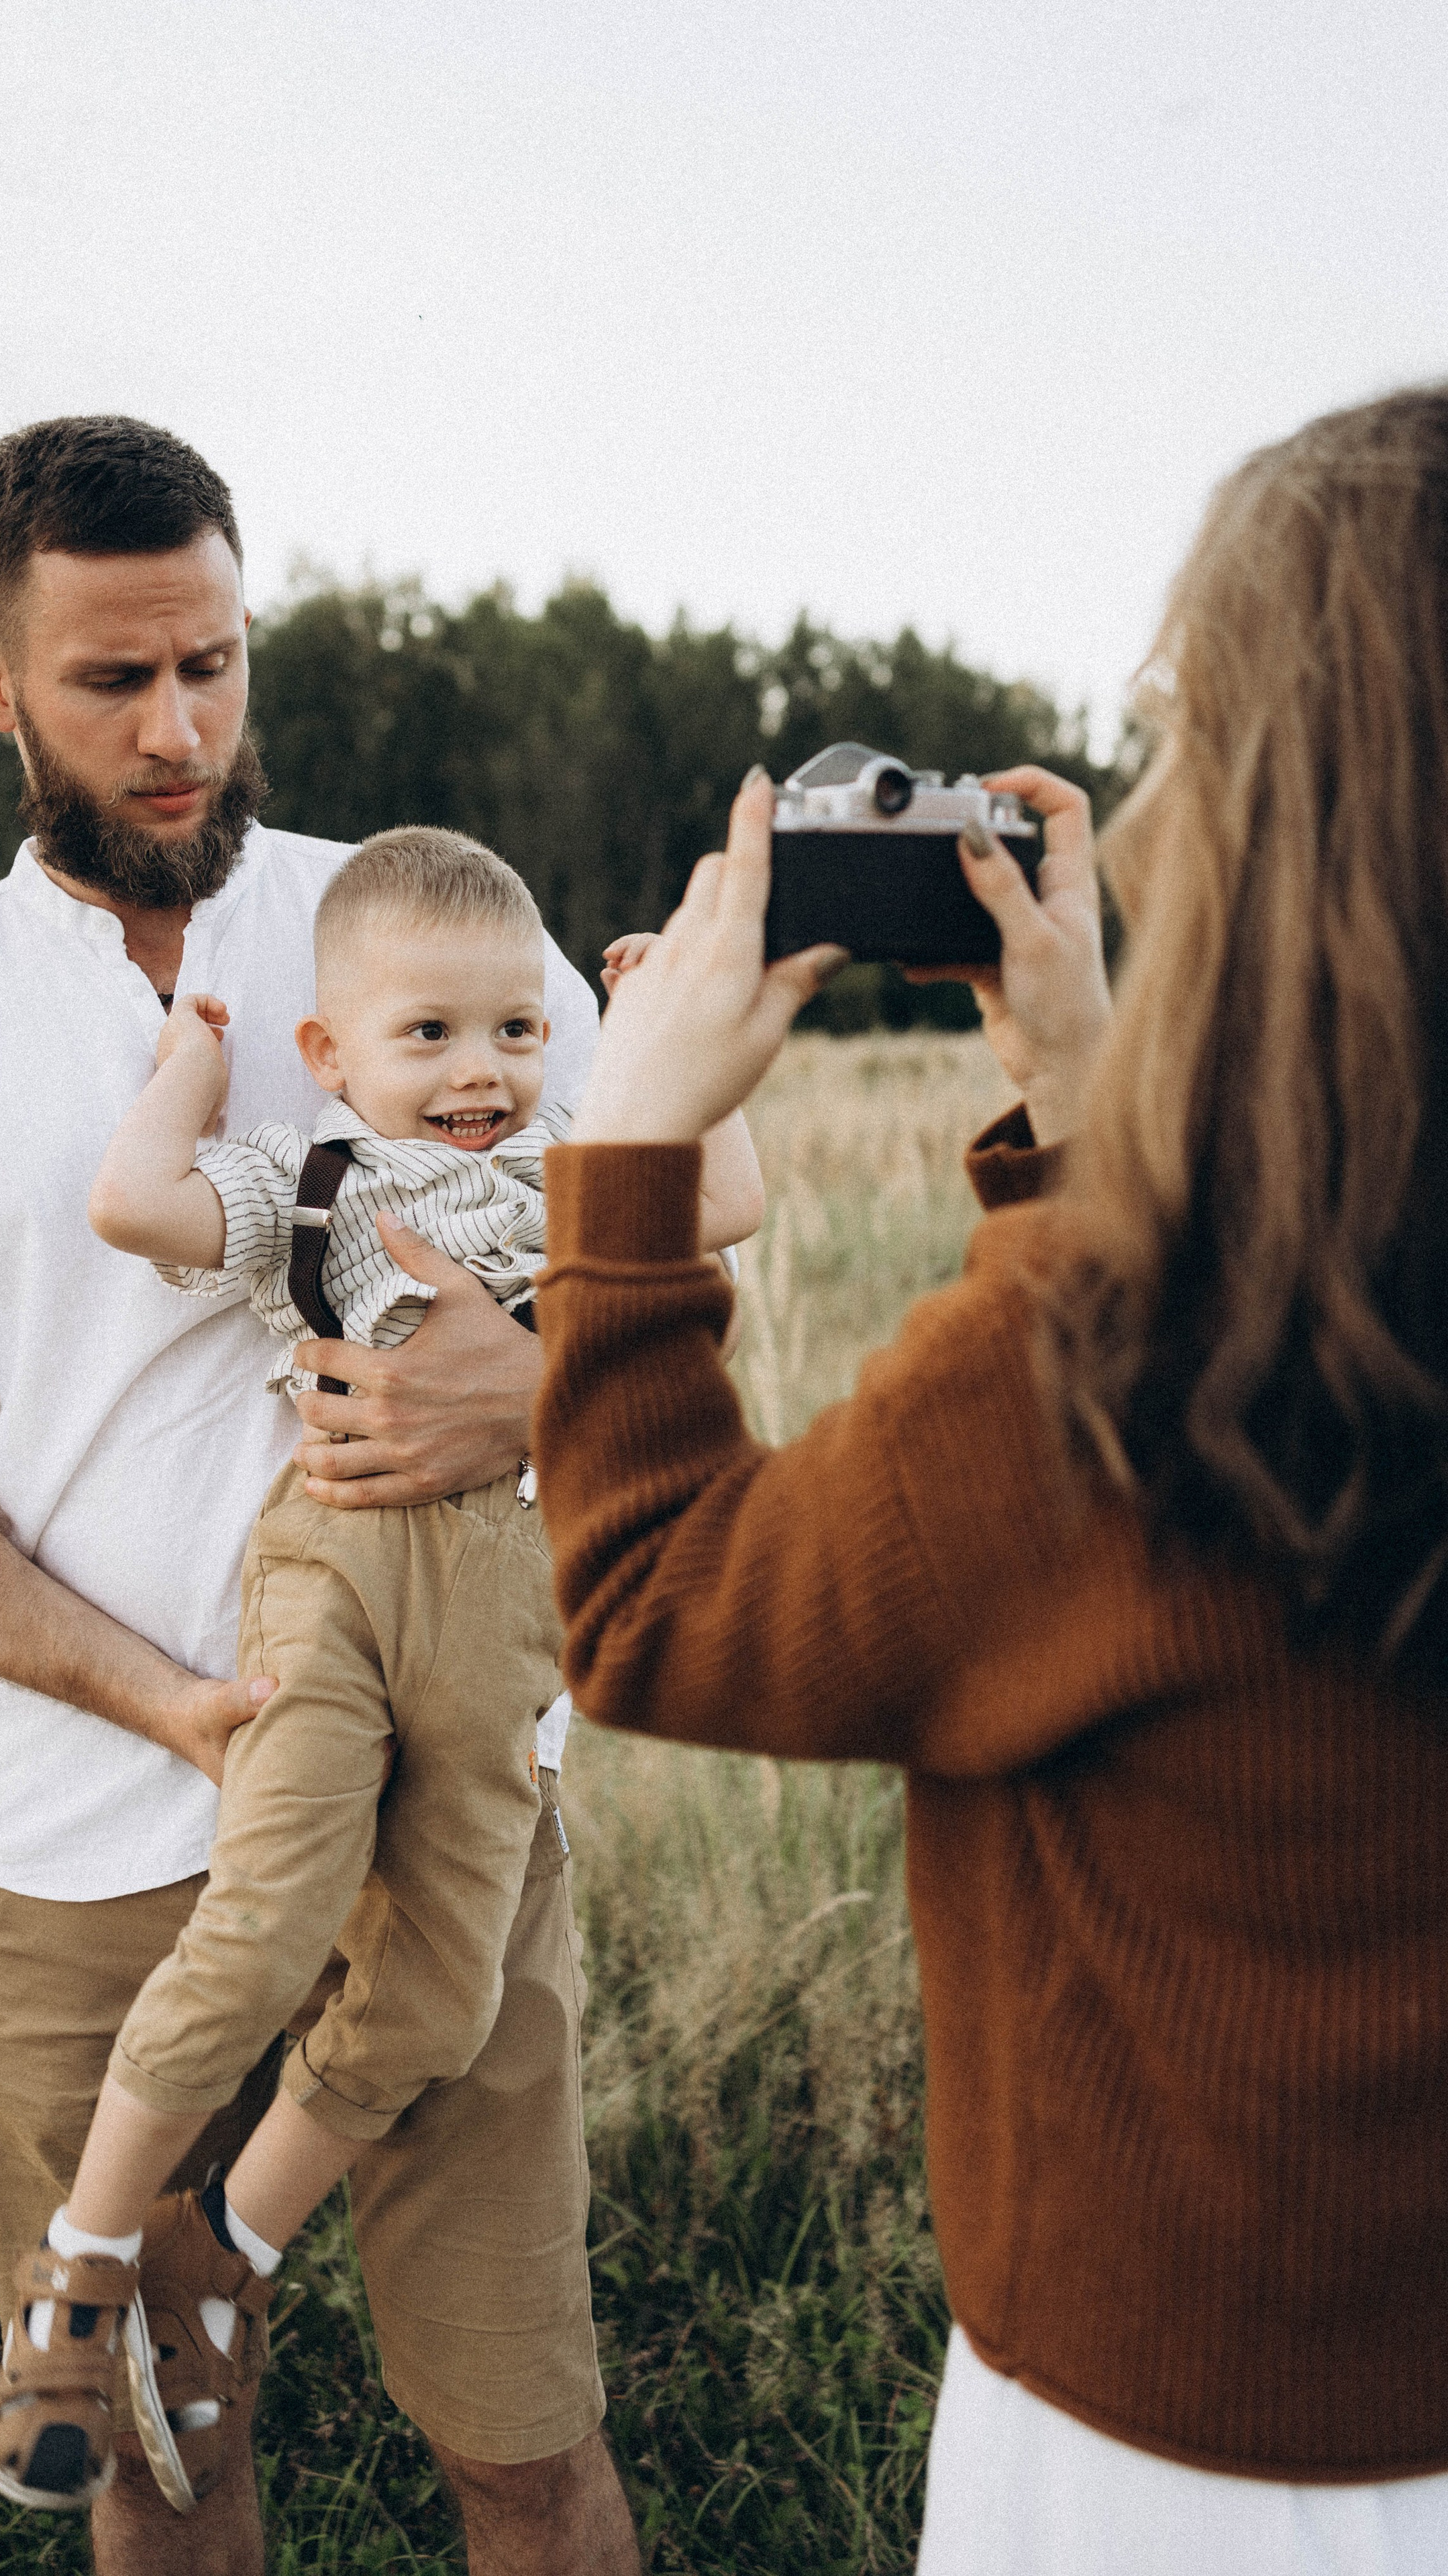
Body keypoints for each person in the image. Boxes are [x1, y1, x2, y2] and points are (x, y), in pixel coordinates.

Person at [529, 384, 1448, 2574]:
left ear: (1288, 823)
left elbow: (657, 1603)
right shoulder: (1213, 1329)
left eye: (1179, 737)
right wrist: (1088, 1107)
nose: (1137, 820)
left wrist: (628, 1144)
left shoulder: (1109, 1370)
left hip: (1170, 2460)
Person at [0, 414, 642, 2576]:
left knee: (526, 2448)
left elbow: (669, 1267)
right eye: (115, 680)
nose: (179, 730)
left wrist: (537, 1384)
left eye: (214, 666)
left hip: (449, 1820)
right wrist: (172, 1707)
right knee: (158, 2472)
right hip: (88, 1857)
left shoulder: (437, 928)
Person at [0, 824, 762, 2513]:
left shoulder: (573, 1164)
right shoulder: (311, 1176)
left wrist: (655, 1044)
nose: (480, 1071)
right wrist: (191, 1074)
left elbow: (733, 1201)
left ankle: (223, 2251)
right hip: (334, 1586)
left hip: (504, 1638)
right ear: (329, 1054)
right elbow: (131, 1203)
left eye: (514, 1030)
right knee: (263, 1919)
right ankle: (83, 2270)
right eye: (429, 1035)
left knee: (438, 1996)